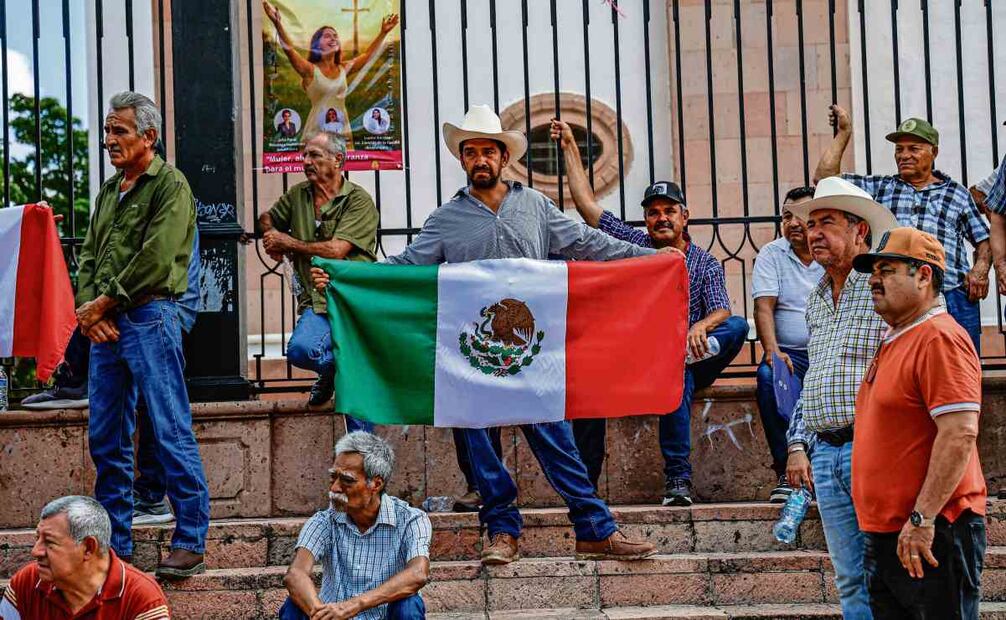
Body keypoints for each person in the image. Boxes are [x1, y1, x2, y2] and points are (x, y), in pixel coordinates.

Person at [312, 105, 659, 565]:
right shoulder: (445, 219)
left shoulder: (535, 206)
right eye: (471, 152)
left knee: (556, 439)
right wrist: (344, 277)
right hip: (471, 355)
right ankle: (501, 530)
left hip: (532, 351)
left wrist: (649, 257)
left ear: (502, 157)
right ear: (462, 160)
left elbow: (586, 243)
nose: (480, 159)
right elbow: (404, 267)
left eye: (487, 151)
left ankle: (595, 529)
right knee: (479, 445)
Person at [551, 119, 747, 506]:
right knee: (600, 380)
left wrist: (699, 327)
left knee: (734, 329)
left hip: (688, 353)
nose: (661, 218)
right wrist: (571, 147)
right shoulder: (634, 243)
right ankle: (592, 486)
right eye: (654, 212)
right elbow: (589, 208)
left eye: (669, 211)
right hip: (639, 359)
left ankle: (678, 476)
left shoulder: (704, 263)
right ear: (646, 219)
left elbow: (722, 309)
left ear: (684, 217)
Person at [76, 91, 209, 579]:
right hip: (106, 326)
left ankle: (191, 539)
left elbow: (155, 259)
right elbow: (89, 255)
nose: (109, 140)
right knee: (105, 435)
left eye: (120, 131)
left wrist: (101, 303)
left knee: (169, 425)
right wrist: (88, 313)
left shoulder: (171, 186)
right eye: (108, 131)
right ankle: (118, 544)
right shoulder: (110, 192)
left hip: (151, 318)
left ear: (149, 137)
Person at [851, 227, 986, 619]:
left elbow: (959, 433)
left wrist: (922, 517)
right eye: (874, 270)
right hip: (890, 533)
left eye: (888, 269)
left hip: (933, 529)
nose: (875, 279)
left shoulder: (939, 337)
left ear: (924, 275)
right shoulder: (898, 336)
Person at [783, 176, 899, 619]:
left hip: (873, 448)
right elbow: (816, 378)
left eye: (826, 222)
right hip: (827, 454)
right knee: (849, 576)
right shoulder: (815, 299)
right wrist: (797, 443)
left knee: (887, 572)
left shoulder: (882, 288)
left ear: (859, 231)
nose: (813, 233)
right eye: (810, 224)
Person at [814, 105, 991, 353]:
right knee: (902, 368)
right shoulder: (881, 188)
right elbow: (825, 179)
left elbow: (984, 239)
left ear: (934, 152)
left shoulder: (957, 194)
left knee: (962, 368)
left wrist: (980, 269)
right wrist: (844, 132)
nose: (903, 155)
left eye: (913, 149)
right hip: (897, 295)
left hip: (952, 295)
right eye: (899, 149)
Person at [258, 131, 379, 422]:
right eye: (304, 155)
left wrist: (286, 243)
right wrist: (270, 235)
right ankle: (335, 372)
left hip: (352, 301)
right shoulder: (298, 194)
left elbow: (336, 250)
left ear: (338, 160)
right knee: (301, 350)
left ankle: (360, 457)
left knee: (355, 390)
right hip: (317, 299)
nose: (305, 161)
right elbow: (268, 217)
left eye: (314, 155)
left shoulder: (358, 200)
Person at [280, 432, 430, 620]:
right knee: (294, 604)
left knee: (408, 605)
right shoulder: (324, 520)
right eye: (333, 477)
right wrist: (320, 613)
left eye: (347, 480)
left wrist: (353, 606)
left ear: (375, 484)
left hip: (383, 616)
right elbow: (295, 574)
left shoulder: (411, 519)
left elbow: (418, 574)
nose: (334, 488)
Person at [751, 186, 823, 503]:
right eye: (786, 216)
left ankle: (827, 473)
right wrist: (772, 350)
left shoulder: (830, 250)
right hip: (790, 355)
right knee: (769, 377)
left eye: (801, 216)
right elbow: (764, 307)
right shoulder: (772, 254)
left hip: (828, 353)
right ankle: (786, 472)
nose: (793, 222)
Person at [0, 496, 170, 619]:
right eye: (37, 538)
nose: (36, 551)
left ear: (88, 547)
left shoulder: (141, 599)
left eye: (49, 542)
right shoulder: (26, 583)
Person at [262, 1, 399, 146]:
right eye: (327, 36)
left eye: (335, 35)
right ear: (317, 44)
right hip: (315, 136)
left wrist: (383, 32)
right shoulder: (310, 70)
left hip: (342, 135)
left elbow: (367, 55)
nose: (333, 38)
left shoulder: (343, 69)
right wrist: (278, 24)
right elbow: (290, 51)